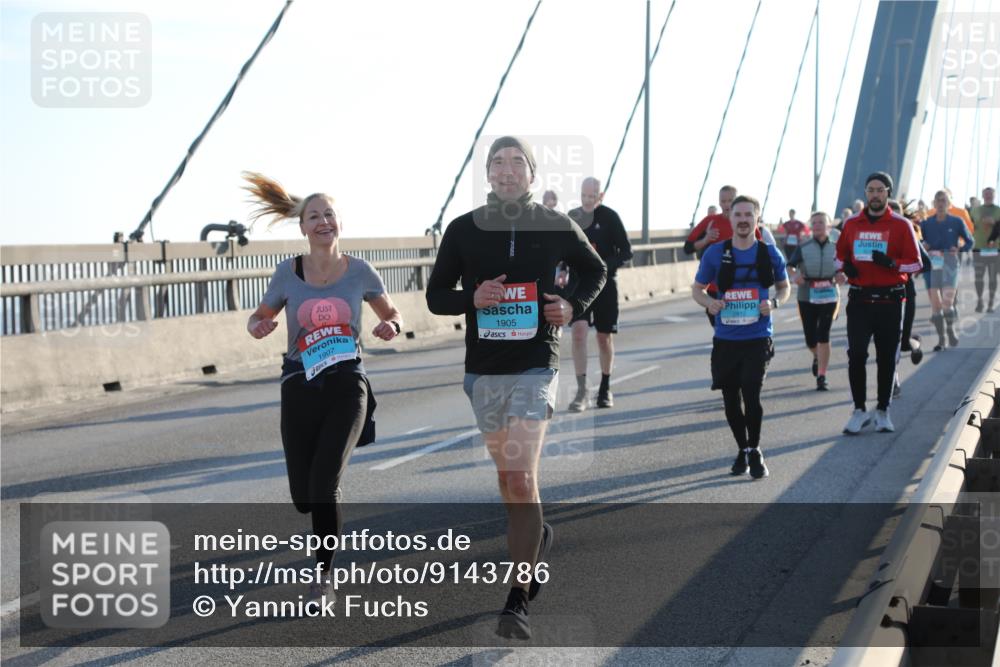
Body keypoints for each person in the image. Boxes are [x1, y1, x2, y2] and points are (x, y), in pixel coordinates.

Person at [426, 136, 606, 639]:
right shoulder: (463, 230)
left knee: (522, 477)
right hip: (482, 371)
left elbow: (596, 269)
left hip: (535, 364)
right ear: (488, 174)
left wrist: (571, 305)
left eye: (516, 163)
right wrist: (472, 298)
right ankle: (536, 538)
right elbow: (437, 296)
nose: (507, 171)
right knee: (508, 482)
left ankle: (517, 598)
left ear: (532, 173)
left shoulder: (554, 225)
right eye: (497, 163)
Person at [243, 172, 403, 608]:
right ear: (303, 228)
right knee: (303, 496)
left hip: (348, 382)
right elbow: (257, 319)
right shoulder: (287, 273)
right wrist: (260, 326)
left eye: (329, 214)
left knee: (324, 482)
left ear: (339, 223)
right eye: (314, 216)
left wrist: (390, 325)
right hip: (299, 383)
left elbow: (393, 314)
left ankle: (323, 577)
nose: (322, 221)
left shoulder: (361, 271)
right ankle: (321, 528)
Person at [691, 195, 790, 479]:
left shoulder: (770, 253)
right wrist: (708, 303)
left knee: (752, 391)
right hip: (726, 338)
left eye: (749, 215)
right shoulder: (714, 253)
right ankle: (743, 448)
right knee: (731, 400)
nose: (744, 220)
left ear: (757, 219)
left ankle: (755, 448)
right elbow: (697, 289)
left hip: (758, 336)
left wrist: (774, 303)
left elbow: (784, 288)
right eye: (739, 215)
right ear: (731, 219)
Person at [835, 172, 922, 435]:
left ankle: (883, 410)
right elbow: (839, 256)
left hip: (890, 300)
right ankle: (859, 410)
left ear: (888, 193)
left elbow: (917, 263)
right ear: (865, 193)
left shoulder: (901, 225)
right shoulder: (851, 224)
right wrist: (846, 267)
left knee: (886, 359)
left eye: (880, 190)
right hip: (860, 300)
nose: (875, 194)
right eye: (870, 190)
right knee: (857, 354)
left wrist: (892, 264)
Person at [566, 177, 633, 411]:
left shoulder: (610, 218)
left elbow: (626, 252)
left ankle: (605, 388)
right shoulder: (572, 217)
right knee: (578, 333)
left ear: (600, 196)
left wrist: (603, 265)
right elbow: (560, 249)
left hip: (605, 285)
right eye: (583, 196)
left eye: (591, 197)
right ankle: (582, 391)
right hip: (578, 285)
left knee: (604, 338)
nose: (587, 201)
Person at [684, 185, 765, 325]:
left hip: (742, 289)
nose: (727, 205)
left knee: (744, 333)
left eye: (730, 200)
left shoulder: (746, 224)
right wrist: (706, 239)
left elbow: (761, 251)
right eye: (723, 201)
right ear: (719, 202)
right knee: (721, 332)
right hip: (716, 289)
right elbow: (688, 248)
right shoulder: (710, 221)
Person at [786, 212, 839, 391]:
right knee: (810, 337)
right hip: (807, 294)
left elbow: (847, 266)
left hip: (830, 294)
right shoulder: (804, 246)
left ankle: (822, 375)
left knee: (823, 333)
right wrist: (795, 276)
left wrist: (843, 274)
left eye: (821, 222)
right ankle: (817, 355)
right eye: (814, 223)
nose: (817, 225)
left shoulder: (837, 247)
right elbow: (790, 266)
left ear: (829, 226)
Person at [921, 190, 975, 350]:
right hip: (932, 266)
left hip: (950, 265)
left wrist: (960, 248)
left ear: (949, 202)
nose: (940, 203)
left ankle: (950, 330)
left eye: (944, 200)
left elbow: (970, 241)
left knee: (947, 303)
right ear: (934, 203)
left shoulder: (957, 221)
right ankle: (941, 339)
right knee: (936, 306)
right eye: (938, 200)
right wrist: (924, 246)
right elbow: (919, 242)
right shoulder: (926, 223)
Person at [972, 186, 1000, 312]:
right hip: (978, 248)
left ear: (994, 196)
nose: (988, 196)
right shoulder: (975, 210)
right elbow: (969, 226)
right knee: (979, 277)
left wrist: (994, 222)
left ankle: (990, 303)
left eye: (990, 194)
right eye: (986, 194)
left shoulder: (998, 210)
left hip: (995, 249)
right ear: (982, 196)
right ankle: (980, 302)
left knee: (993, 277)